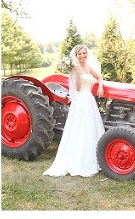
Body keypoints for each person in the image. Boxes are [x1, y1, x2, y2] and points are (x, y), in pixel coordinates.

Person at [43, 44, 105, 177]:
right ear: (76, 56)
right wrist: (78, 74)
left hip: (89, 99)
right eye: (80, 54)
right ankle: (80, 159)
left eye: (84, 53)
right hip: (81, 99)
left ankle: (98, 157)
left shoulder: (88, 67)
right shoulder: (75, 69)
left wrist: (100, 86)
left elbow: (99, 77)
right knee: (81, 128)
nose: (83, 55)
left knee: (92, 127)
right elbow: (77, 88)